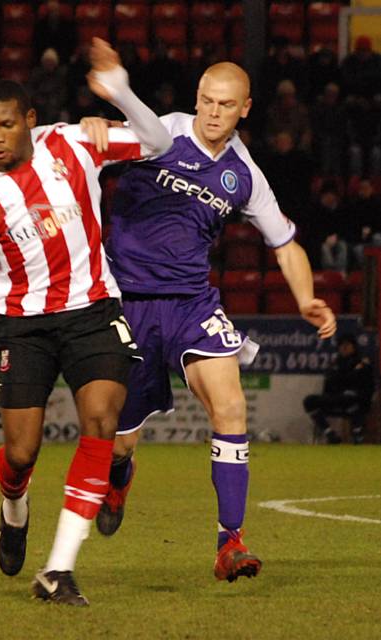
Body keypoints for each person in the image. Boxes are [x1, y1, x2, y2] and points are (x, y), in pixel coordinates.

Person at [0, 38, 172, 607]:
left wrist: (119, 91)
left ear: (30, 119)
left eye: (5, 124)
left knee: (100, 422)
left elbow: (159, 140)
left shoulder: (75, 143)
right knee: (22, 453)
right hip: (22, 325)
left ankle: (58, 570)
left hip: (93, 311)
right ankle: (13, 508)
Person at [83, 61, 336, 583]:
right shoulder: (160, 132)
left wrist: (307, 298)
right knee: (121, 439)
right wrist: (92, 128)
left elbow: (285, 245)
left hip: (192, 304)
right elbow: (89, 146)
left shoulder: (244, 175)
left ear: (245, 109)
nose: (211, 113)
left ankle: (230, 542)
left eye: (225, 104)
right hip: (127, 302)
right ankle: (118, 474)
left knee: (231, 404)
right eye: (205, 100)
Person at [303, 334, 374, 444]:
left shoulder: (363, 363)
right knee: (309, 401)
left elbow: (365, 384)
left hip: (356, 399)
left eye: (347, 345)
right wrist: (350, 376)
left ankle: (357, 435)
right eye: (341, 345)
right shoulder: (335, 363)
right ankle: (330, 434)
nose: (344, 348)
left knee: (354, 402)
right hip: (337, 398)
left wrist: (346, 379)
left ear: (353, 347)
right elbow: (332, 381)